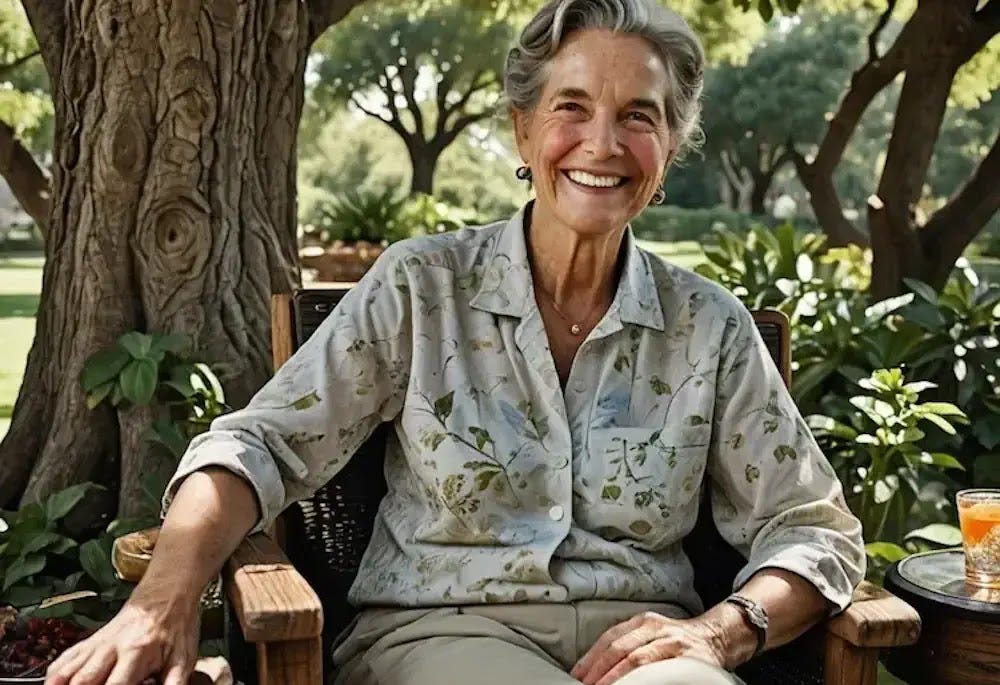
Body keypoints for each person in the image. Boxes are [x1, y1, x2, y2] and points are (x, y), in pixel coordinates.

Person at [45, 0, 865, 683]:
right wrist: (161, 599)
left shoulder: (710, 326)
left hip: (646, 649)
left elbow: (814, 527)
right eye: (571, 107)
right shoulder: (421, 287)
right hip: (443, 635)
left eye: (637, 117)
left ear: (670, 149)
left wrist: (720, 632)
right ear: (522, 130)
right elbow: (259, 446)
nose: (602, 143)